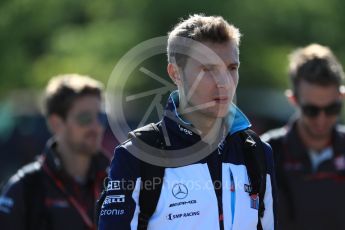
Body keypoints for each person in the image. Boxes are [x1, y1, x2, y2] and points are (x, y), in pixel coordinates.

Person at [98, 14, 277, 230]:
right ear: (176, 73)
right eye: (208, 70)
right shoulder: (137, 154)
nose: (224, 83)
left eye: (231, 68)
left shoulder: (257, 152)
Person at [0, 74, 109, 230]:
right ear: (56, 123)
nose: (96, 126)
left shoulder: (118, 180)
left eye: (101, 116)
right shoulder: (25, 188)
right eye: (85, 118)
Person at [261, 44, 345, 230]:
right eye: (311, 110)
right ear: (293, 100)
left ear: (342, 97)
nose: (322, 119)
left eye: (331, 109)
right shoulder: (266, 153)